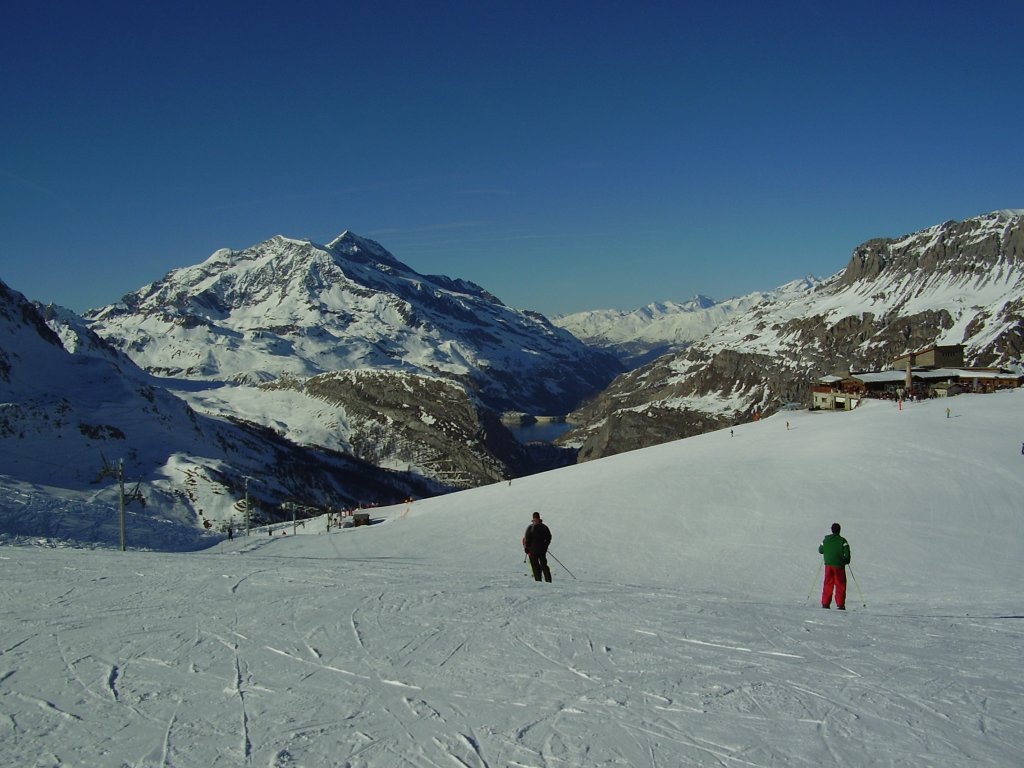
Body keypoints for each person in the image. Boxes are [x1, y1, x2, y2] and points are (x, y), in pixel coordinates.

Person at [818, 522, 851, 609]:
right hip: (839, 566)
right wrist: (846, 561)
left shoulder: (825, 540)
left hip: (828, 565)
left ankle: (825, 603)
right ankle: (840, 604)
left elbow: (820, 550)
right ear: (839, 530)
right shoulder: (843, 541)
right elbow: (847, 553)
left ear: (831, 530)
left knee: (828, 583)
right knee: (840, 584)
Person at [523, 512, 552, 582]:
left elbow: (549, 537)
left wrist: (546, 545)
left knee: (543, 565)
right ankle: (538, 581)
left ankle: (548, 581)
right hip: (532, 551)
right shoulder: (531, 528)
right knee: (535, 567)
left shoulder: (543, 527)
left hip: (541, 550)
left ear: (539, 519)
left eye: (537, 519)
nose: (535, 520)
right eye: (534, 519)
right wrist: (526, 548)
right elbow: (526, 539)